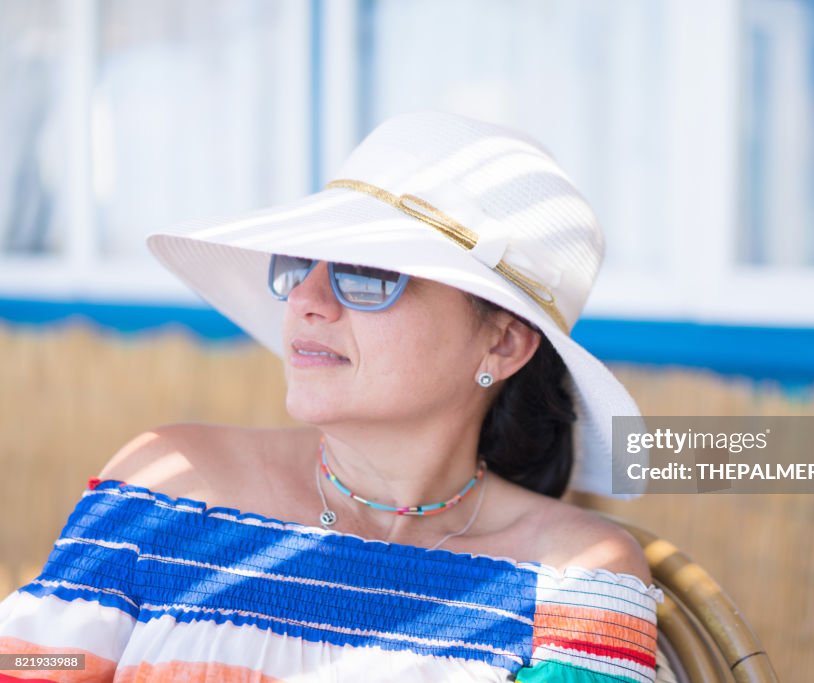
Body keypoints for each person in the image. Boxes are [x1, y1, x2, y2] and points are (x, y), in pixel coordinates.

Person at [0, 111, 662, 682]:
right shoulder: (168, 483)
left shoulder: (577, 575)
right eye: (299, 264)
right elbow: (40, 662)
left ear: (503, 346)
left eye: (368, 274)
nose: (306, 300)